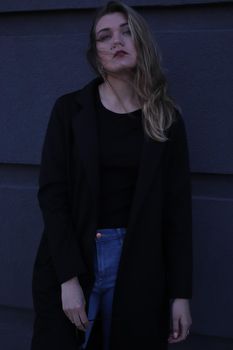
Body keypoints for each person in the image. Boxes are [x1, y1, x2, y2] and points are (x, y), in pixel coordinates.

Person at [31, 1, 193, 349]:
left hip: (140, 261)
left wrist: (180, 294)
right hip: (77, 255)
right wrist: (69, 278)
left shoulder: (166, 119)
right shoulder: (69, 110)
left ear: (142, 42)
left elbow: (177, 211)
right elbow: (52, 195)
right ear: (96, 54)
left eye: (126, 31)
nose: (116, 41)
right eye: (105, 36)